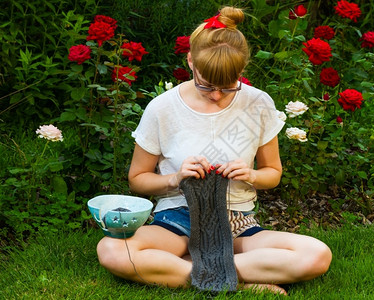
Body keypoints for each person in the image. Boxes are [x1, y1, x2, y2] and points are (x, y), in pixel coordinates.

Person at [96, 6, 332, 295]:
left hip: (237, 222)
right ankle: (241, 281)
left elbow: (273, 173)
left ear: (241, 71)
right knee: (111, 250)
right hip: (177, 219)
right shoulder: (163, 109)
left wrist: (251, 175)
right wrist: (175, 178)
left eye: (228, 87)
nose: (217, 95)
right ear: (191, 61)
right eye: (206, 85)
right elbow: (137, 178)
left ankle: (188, 268)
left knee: (317, 255)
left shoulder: (258, 103)